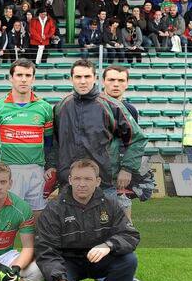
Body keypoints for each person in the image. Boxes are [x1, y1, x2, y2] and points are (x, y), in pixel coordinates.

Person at [35, 159, 141, 281]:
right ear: (70, 180)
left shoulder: (110, 204)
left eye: (88, 179)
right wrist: (59, 278)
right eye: (77, 179)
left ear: (97, 182)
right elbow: (45, 248)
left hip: (99, 259)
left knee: (129, 260)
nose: (82, 184)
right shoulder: (55, 208)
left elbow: (130, 235)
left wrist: (108, 245)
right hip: (68, 261)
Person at [49, 59, 146, 203]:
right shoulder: (61, 106)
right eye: (78, 77)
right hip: (68, 182)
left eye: (87, 77)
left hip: (103, 183)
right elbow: (55, 143)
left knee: (106, 225)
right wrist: (51, 166)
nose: (83, 81)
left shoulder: (111, 106)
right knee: (70, 225)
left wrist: (127, 168)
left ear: (94, 78)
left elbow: (137, 139)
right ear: (71, 79)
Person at [0, 59, 54, 216]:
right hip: (10, 170)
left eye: (28, 75)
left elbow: (49, 143)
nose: (23, 79)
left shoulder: (45, 108)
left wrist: (47, 166)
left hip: (36, 170)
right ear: (11, 77)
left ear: (33, 78)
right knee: (7, 219)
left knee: (37, 217)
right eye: (19, 75)